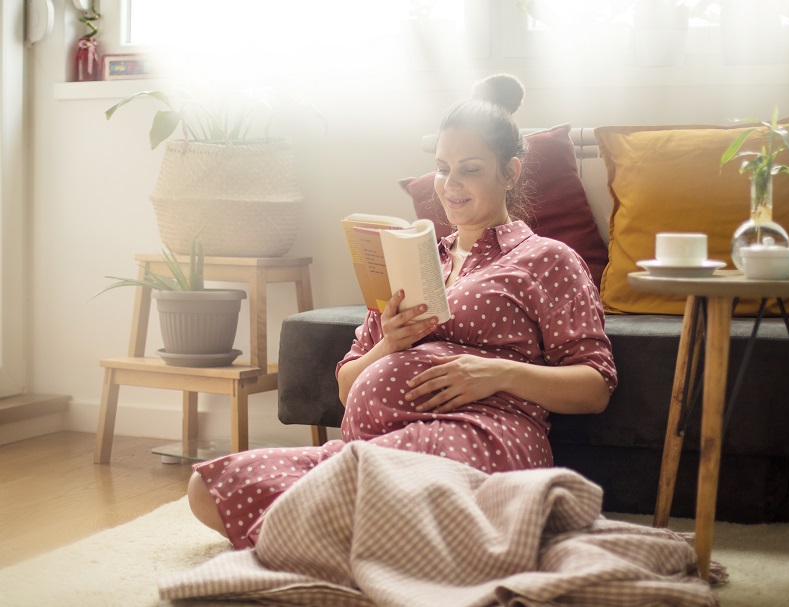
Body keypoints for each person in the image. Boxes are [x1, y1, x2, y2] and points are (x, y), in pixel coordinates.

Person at [187, 74, 617, 549]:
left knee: (374, 491)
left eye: (469, 169)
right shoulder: (412, 259)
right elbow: (349, 388)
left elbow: (594, 387)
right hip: (371, 451)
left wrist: (494, 373)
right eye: (442, 167)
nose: (450, 185)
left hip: (478, 438)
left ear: (511, 173)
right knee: (209, 489)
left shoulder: (547, 258)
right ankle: (392, 541)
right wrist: (390, 342)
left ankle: (352, 537)